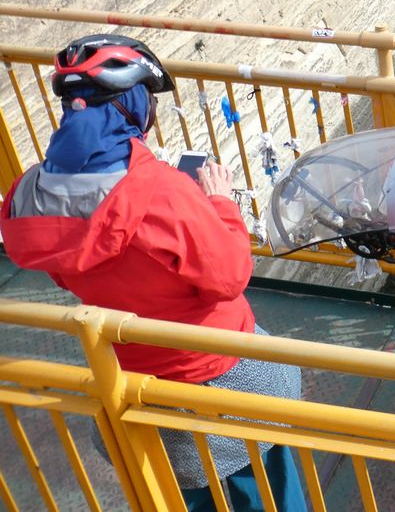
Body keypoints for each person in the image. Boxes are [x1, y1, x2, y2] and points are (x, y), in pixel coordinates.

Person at [0, 34, 305, 511]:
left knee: (187, 495)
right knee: (264, 480)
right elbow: (228, 277)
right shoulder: (162, 193)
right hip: (217, 366)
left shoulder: (29, 195)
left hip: (130, 373)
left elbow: (62, 268)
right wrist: (220, 203)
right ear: (131, 105)